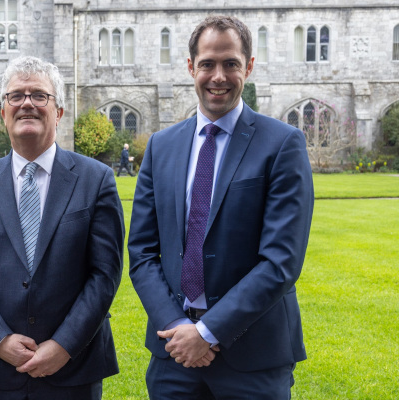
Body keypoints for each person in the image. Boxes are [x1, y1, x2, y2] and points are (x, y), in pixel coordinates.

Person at [127, 16, 314, 399]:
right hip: (173, 352)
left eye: (231, 63)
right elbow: (142, 252)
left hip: (253, 356)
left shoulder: (282, 144)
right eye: (208, 63)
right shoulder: (161, 147)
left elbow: (281, 261)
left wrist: (208, 332)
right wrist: (178, 327)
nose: (219, 76)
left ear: (248, 66)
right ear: (190, 67)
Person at [0, 56, 125, 399]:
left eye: (39, 95)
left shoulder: (96, 179)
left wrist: (64, 344)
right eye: (15, 96)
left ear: (59, 112)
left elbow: (104, 275)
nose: (26, 103)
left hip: (74, 368)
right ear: (3, 112)